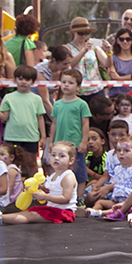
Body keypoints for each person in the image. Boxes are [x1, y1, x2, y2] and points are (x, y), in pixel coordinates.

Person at [0, 141, 78, 225]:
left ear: (71, 160)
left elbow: (66, 199)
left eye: (62, 156)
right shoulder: (54, 175)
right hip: (52, 208)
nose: (56, 158)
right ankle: (1, 217)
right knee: (27, 211)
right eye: (53, 155)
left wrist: (45, 197)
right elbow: (49, 190)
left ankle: (0, 218)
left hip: (64, 212)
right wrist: (38, 187)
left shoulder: (68, 177)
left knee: (31, 215)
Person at [48, 69, 91, 201]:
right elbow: (54, 123)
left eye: (70, 82)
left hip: (75, 145)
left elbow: (85, 124)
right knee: (60, 169)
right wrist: (51, 141)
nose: (66, 85)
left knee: (80, 172)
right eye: (64, 82)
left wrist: (84, 141)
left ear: (78, 86)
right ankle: (61, 196)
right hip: (60, 145)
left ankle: (79, 198)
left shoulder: (81, 104)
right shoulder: (58, 104)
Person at [0, 65, 46, 178]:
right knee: (11, 164)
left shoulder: (36, 99)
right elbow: (4, 117)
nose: (23, 82)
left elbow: (40, 118)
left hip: (31, 136)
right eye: (20, 79)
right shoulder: (8, 97)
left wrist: (43, 136)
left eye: (27, 79)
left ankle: (35, 189)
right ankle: (12, 188)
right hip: (12, 136)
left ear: (33, 82)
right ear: (15, 80)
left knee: (31, 163)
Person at [86, 137, 132, 214]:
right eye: (119, 150)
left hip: (129, 202)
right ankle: (92, 211)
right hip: (117, 199)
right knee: (100, 202)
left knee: (118, 208)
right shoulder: (117, 169)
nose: (121, 153)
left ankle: (100, 213)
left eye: (126, 151)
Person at [65, 17, 110, 104]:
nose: (84, 36)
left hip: (96, 89)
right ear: (74, 32)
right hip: (77, 91)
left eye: (86, 33)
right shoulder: (67, 48)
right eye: (81, 33)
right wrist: (84, 50)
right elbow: (69, 65)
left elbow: (107, 63)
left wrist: (109, 52)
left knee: (98, 116)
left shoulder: (94, 47)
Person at [32, 45, 72, 115]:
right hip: (34, 101)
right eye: (64, 64)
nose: (67, 66)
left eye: (69, 63)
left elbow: (61, 96)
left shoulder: (65, 70)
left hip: (50, 100)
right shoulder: (41, 71)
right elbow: (45, 100)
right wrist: (56, 120)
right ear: (54, 60)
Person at [107, 28, 132, 98]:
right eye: (121, 39)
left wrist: (119, 78)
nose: (125, 42)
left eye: (128, 39)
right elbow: (112, 76)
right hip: (116, 96)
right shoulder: (112, 58)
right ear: (117, 41)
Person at [0, 143, 24, 209]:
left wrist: (6, 202)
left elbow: (10, 187)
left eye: (2, 154)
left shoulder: (11, 170)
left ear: (11, 157)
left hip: (12, 200)